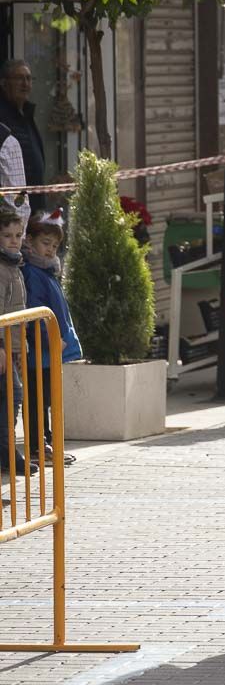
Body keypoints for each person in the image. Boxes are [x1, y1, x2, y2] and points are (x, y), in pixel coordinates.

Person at [21, 211, 82, 468]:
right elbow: (36, 311)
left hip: (48, 351)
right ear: (31, 241)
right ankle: (37, 446)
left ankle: (45, 442)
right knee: (37, 399)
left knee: (46, 399)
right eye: (45, 243)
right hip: (39, 352)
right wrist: (50, 339)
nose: (50, 250)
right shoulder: (34, 272)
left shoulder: (46, 271)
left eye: (54, 245)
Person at [0, 203, 33, 474]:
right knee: (12, 395)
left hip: (13, 345)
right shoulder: (1, 269)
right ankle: (7, 452)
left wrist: (22, 345)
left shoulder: (15, 266)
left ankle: (7, 451)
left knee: (10, 397)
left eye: (18, 235)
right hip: (2, 347)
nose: (14, 240)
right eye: (8, 235)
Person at [0, 60, 45, 213]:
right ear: (5, 83)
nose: (25, 84)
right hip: (10, 215)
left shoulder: (27, 115)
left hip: (31, 210)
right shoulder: (2, 119)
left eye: (28, 78)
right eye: (19, 78)